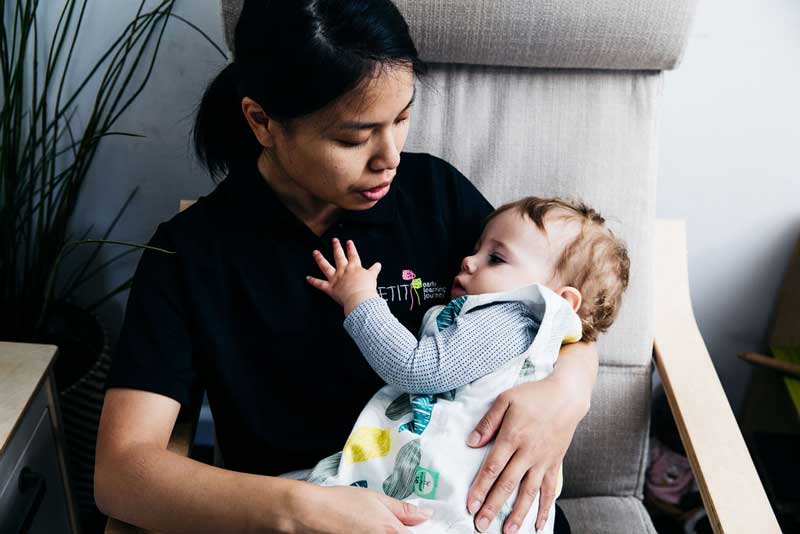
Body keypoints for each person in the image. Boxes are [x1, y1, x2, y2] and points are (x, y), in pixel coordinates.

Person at [95, 1, 600, 532]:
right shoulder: (191, 255)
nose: (390, 157)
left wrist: (568, 393)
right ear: (262, 121)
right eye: (353, 138)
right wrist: (295, 508)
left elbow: (553, 302)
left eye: (403, 117)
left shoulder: (437, 196)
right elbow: (121, 471)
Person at [303, 197, 630, 533]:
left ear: (559, 301)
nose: (469, 261)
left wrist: (360, 299)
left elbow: (419, 369)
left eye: (496, 258)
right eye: (477, 248)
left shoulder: (512, 316)